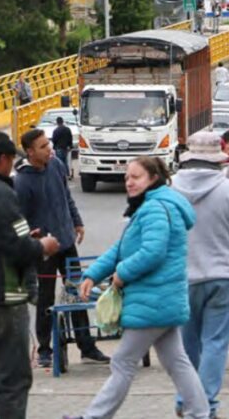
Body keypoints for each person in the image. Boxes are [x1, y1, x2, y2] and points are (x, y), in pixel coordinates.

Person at [71, 157, 209, 419]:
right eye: (127, 178)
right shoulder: (152, 205)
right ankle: (200, 413)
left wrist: (121, 274)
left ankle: (94, 416)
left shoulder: (154, 208)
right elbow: (121, 248)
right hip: (162, 299)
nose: (129, 183)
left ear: (153, 178)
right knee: (176, 362)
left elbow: (152, 252)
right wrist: (92, 274)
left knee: (122, 362)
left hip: (153, 300)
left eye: (136, 177)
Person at [171, 131, 229, 415]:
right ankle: (206, 403)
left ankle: (186, 399)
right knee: (215, 343)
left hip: (182, 277)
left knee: (187, 346)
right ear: (219, 160)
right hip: (222, 276)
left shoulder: (170, 189)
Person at [0, 131, 61, 419]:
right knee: (11, 381)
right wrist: (42, 246)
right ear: (2, 159)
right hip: (2, 301)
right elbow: (17, 248)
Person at [15, 129, 109, 369]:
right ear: (30, 152)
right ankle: (46, 349)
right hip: (44, 249)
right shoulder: (22, 181)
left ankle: (86, 346)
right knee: (46, 297)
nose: (49, 149)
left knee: (78, 292)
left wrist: (77, 222)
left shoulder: (56, 165)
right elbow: (20, 220)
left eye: (48, 144)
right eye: (43, 146)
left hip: (67, 241)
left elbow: (67, 197)